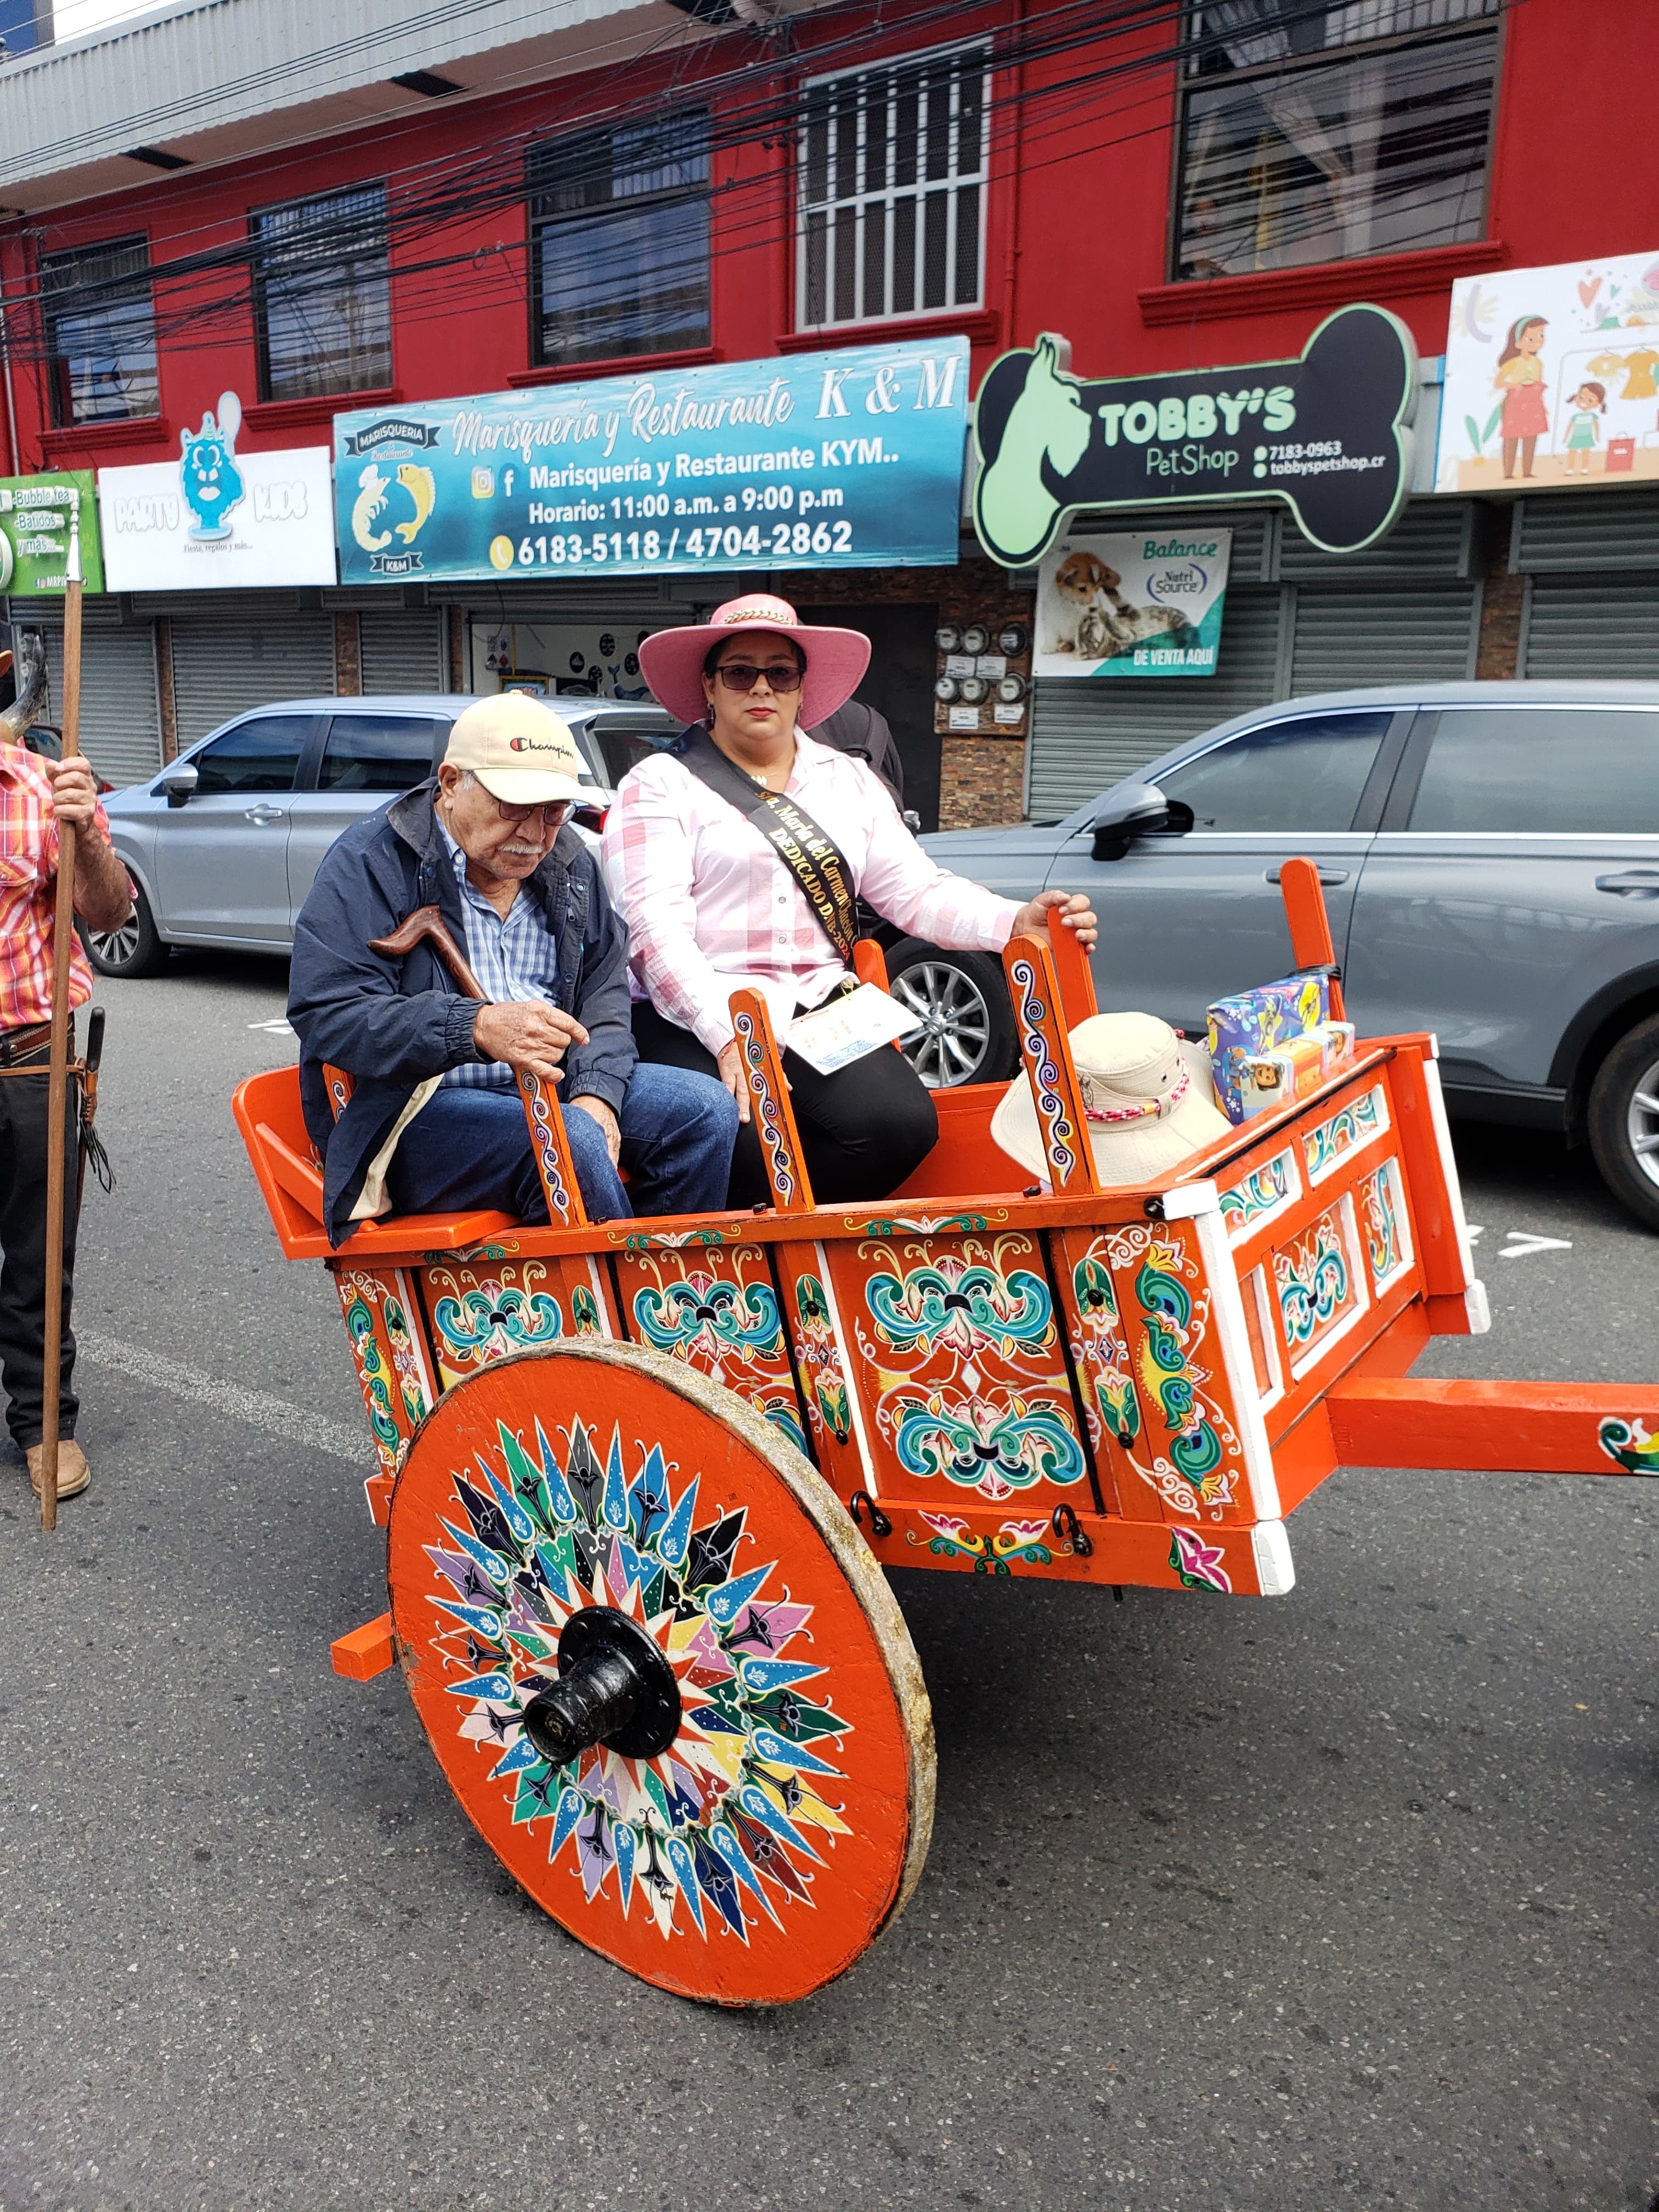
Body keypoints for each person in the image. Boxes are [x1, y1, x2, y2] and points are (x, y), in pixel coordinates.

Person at [605, 593, 1097, 1209]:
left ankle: (790, 1240)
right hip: (695, 1015)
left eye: (780, 672)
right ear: (710, 685)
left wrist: (1012, 922)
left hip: (817, 1005)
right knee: (734, 1136)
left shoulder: (849, 780)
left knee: (898, 1128)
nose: (762, 687)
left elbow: (915, 891)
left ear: (801, 686)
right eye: (740, 672)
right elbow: (653, 934)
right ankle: (730, 1265)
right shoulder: (659, 784)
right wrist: (727, 1034)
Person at [287, 692, 737, 1245]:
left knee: (703, 1113)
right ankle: (626, 1310)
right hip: (413, 1112)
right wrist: (471, 1027)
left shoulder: (567, 858)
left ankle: (676, 1290)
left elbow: (604, 987)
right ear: (452, 783)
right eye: (513, 807)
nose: (533, 834)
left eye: (553, 811)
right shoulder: (371, 861)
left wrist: (597, 1090)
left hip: (549, 1085)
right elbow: (327, 1010)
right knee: (570, 1142)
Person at [0, 704, 133, 1504]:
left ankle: (43, 1422)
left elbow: (109, 912)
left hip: (29, 1059)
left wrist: (82, 835)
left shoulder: (50, 789)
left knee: (41, 1260)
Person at [1494, 314, 1548, 481]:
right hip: (1515, 402)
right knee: (1512, 437)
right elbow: (1499, 382)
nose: (1538, 340)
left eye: (1541, 335)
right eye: (1531, 337)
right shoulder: (1513, 363)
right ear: (1518, 342)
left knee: (1531, 437)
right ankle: (1508, 472)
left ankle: (1527, 471)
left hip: (1533, 402)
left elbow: (1539, 384)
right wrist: (1514, 386)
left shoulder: (1538, 363)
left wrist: (1543, 405)